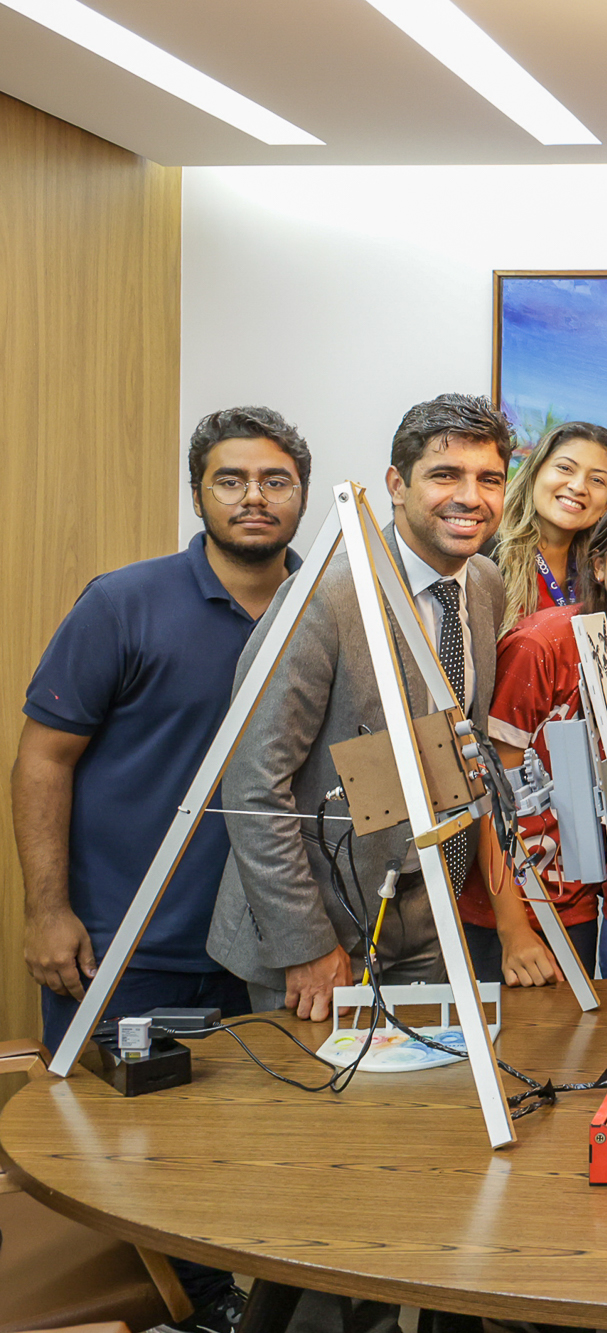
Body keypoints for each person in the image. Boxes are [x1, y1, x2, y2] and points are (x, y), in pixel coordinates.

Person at [14, 405, 309, 1333]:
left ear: (302, 493)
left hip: (264, 952)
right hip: (124, 947)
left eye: (275, 480)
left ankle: (228, 1305)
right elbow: (42, 758)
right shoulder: (123, 603)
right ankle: (196, 1309)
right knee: (126, 1163)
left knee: (248, 1159)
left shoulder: (325, 609)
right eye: (232, 479)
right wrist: (47, 910)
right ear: (198, 493)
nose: (254, 497)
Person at [208, 394, 510, 1020]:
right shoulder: (325, 597)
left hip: (428, 914)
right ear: (397, 485)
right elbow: (253, 784)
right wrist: (305, 943)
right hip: (322, 921)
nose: (471, 497)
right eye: (445, 475)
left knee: (427, 1082)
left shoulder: (484, 582)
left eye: (489, 479)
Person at [468, 497, 607, 986]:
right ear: (598, 565)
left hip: (578, 899)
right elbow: (486, 791)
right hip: (503, 902)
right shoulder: (543, 644)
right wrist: (513, 929)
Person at [487, 420, 607, 633]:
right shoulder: (488, 553)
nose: (578, 487)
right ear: (535, 471)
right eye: (565, 468)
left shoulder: (601, 572)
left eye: (597, 480)